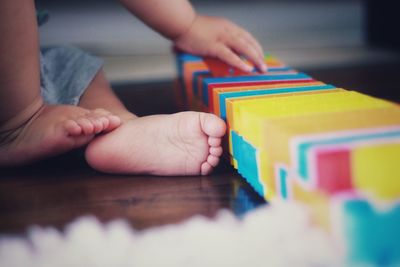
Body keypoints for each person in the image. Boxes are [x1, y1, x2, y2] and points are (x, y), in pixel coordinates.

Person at [0, 0, 267, 175]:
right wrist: (187, 25)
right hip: (16, 101)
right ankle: (20, 121)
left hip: (33, 77)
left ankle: (121, 127)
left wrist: (188, 26)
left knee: (71, 67)